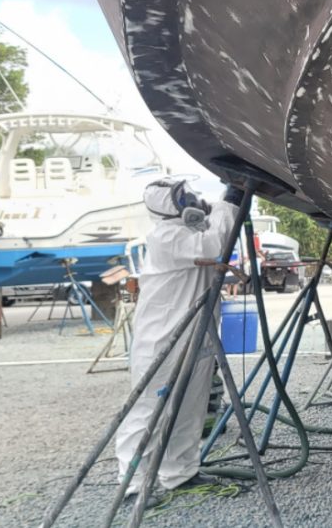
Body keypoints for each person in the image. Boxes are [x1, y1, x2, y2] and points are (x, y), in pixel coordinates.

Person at [115, 179, 243, 495]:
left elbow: (214, 237)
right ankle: (132, 483)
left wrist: (230, 202)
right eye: (185, 197)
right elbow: (214, 244)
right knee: (148, 410)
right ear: (172, 208)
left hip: (195, 333)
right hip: (163, 339)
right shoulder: (167, 235)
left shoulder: (190, 232)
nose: (195, 199)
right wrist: (233, 197)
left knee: (191, 406)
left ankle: (180, 473)